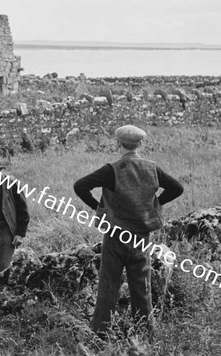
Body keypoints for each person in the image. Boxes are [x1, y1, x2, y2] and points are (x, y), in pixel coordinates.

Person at [73, 125, 184, 338]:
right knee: (142, 287)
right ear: (141, 144)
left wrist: (99, 208)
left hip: (115, 236)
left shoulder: (111, 169)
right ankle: (146, 334)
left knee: (108, 286)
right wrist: (155, 205)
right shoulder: (152, 168)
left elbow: (80, 186)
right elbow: (177, 188)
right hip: (141, 237)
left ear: (118, 143)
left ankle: (99, 334)